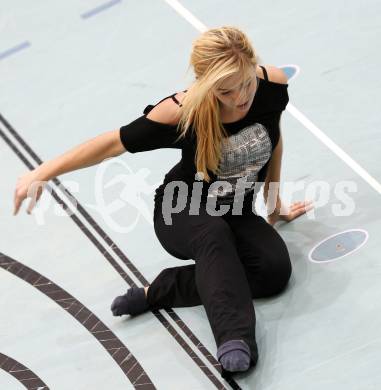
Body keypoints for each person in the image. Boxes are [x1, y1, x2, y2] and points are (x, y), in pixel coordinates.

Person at [13, 25, 313, 376]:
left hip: (233, 209)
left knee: (273, 270)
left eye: (246, 83)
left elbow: (272, 140)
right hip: (180, 209)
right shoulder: (181, 112)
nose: (240, 97)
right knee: (212, 235)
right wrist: (42, 171)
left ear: (254, 66)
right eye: (226, 90)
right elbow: (112, 143)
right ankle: (235, 339)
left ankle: (159, 291)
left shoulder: (271, 86)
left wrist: (273, 203)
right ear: (205, 85)